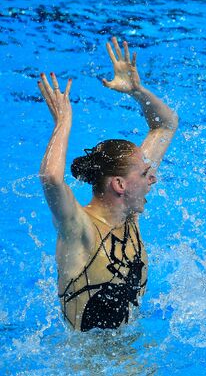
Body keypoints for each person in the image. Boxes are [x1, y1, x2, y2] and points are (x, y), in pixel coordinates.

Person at [38, 37, 179, 331]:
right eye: (144, 174)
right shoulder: (80, 229)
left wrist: (139, 91)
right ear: (119, 185)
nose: (153, 177)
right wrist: (63, 121)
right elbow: (51, 179)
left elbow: (165, 125)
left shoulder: (130, 214)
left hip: (131, 354)